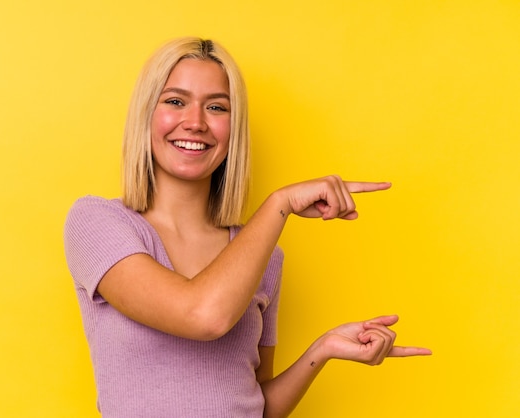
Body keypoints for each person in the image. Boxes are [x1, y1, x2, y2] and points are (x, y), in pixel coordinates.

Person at [64, 37, 431, 418]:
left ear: (233, 128)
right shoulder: (97, 223)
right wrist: (280, 203)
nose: (195, 122)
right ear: (146, 114)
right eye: (175, 101)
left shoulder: (263, 255)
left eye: (217, 107)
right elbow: (203, 316)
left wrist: (323, 349)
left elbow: (258, 405)